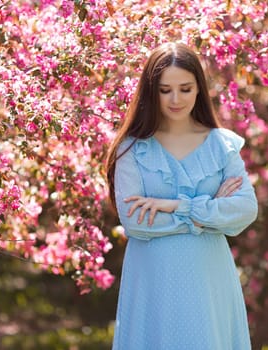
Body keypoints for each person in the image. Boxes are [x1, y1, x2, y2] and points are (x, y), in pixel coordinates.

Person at [105, 42, 258, 350]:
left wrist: (176, 206)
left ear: (199, 89)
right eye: (165, 90)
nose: (176, 99)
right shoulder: (132, 149)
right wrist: (209, 211)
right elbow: (136, 223)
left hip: (209, 280)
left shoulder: (221, 145)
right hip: (154, 281)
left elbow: (245, 209)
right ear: (151, 91)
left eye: (185, 89)